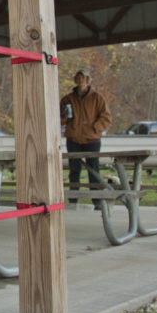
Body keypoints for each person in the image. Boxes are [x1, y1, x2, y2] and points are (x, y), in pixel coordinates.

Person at [60, 69, 112, 209]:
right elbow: (61, 119)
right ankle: (73, 201)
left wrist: (95, 128)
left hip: (92, 140)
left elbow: (106, 117)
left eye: (83, 77)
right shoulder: (68, 99)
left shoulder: (97, 98)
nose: (80, 80)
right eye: (78, 77)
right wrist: (64, 117)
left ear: (87, 80)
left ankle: (97, 201)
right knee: (74, 170)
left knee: (93, 170)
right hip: (74, 139)